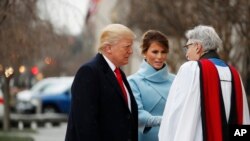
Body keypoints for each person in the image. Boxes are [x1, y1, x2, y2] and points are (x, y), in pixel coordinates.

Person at [158, 25, 250, 141]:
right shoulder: (234, 74)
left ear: (197, 47)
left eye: (187, 47)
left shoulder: (191, 69)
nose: (186, 54)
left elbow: (175, 114)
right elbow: (244, 119)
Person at [65, 24, 138, 141]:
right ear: (108, 48)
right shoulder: (89, 72)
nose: (131, 51)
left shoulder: (119, 73)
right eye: (127, 47)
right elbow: (85, 125)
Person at [128, 30, 175, 141]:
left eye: (163, 52)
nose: (159, 57)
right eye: (155, 52)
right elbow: (137, 114)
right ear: (144, 52)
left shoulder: (176, 80)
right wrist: (164, 120)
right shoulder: (133, 82)